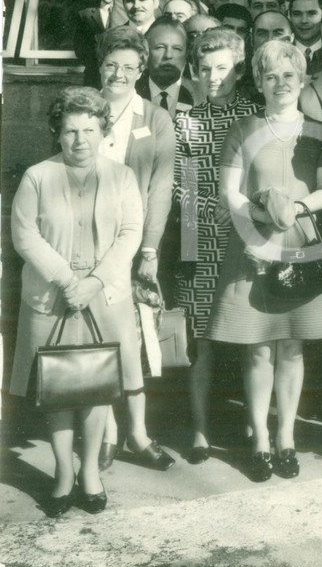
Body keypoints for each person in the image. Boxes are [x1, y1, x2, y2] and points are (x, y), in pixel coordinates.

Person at [206, 39, 322, 482]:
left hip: (299, 243)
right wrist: (260, 221)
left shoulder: (319, 130)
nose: (280, 83)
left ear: (302, 80)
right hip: (252, 242)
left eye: (289, 75)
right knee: (258, 350)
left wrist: (295, 211)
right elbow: (230, 191)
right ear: (259, 83)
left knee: (293, 347)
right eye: (270, 76)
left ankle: (287, 437)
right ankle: (260, 440)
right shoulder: (243, 128)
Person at [9, 87, 143, 517]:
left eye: (89, 129)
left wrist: (95, 281)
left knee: (98, 388)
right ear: (57, 132)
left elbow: (130, 233)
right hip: (52, 296)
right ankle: (63, 473)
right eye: (70, 130)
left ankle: (90, 473)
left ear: (103, 131)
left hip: (106, 297)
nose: (79, 139)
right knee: (59, 388)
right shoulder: (37, 176)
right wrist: (69, 280)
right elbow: (25, 234)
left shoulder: (121, 176)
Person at [173, 28, 259, 463]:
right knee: (202, 341)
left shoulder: (256, 116)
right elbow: (183, 189)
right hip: (204, 242)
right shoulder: (186, 121)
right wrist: (208, 217)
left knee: (250, 337)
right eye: (204, 69)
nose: (213, 77)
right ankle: (201, 429)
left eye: (222, 68)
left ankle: (253, 422)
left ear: (239, 69)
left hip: (248, 240)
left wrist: (242, 211)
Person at [96, 26, 176, 472]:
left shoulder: (154, 118)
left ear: (141, 69)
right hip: (89, 246)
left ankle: (139, 436)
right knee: (98, 338)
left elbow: (161, 188)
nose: (119, 74)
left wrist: (150, 247)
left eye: (129, 66)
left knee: (133, 340)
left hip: (132, 247)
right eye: (112, 64)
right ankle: (106, 432)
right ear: (100, 64)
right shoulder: (84, 108)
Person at [76, 0, 128, 88]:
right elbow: (79, 48)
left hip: (120, 74)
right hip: (94, 74)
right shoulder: (86, 15)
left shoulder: (126, 13)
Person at [138, 18, 198, 117]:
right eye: (160, 47)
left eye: (177, 48)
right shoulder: (131, 93)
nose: (168, 55)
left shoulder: (203, 94)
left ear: (186, 54)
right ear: (145, 52)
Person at [288, 0, 322, 65]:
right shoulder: (282, 53)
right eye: (297, 14)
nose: (304, 21)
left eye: (311, 14)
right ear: (290, 17)